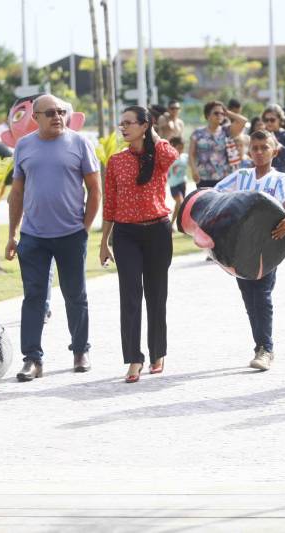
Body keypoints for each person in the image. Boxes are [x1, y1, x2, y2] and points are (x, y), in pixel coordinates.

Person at [5, 94, 101, 382]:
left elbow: (95, 190)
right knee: (33, 298)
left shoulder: (80, 142)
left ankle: (80, 350)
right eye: (50, 113)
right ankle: (33, 359)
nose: (57, 116)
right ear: (36, 117)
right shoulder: (24, 146)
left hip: (71, 235)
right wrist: (12, 234)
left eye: (61, 111)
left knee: (75, 295)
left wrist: (84, 228)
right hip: (33, 237)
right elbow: (17, 193)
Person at [100, 106, 178, 383]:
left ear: (145, 126)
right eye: (121, 124)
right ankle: (134, 358)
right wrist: (104, 241)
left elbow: (172, 155)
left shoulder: (158, 155)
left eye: (129, 123)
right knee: (130, 297)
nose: (123, 128)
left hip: (157, 231)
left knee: (156, 295)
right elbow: (109, 203)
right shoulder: (116, 161)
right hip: (126, 235)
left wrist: (153, 135)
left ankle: (158, 352)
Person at [214, 130, 285, 371]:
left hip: (266, 250)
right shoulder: (240, 176)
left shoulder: (279, 178)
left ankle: (265, 349)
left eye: (264, 147)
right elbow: (213, 195)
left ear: (275, 150)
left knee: (262, 295)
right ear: (249, 151)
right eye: (255, 148)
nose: (259, 152)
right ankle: (260, 345)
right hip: (239, 250)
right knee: (249, 297)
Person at [189, 101, 247, 188]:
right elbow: (191, 154)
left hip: (224, 178)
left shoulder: (227, 130)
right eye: (216, 113)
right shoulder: (197, 133)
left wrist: (228, 113)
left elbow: (243, 121)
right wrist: (193, 170)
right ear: (208, 115)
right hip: (203, 177)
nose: (219, 115)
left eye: (222, 113)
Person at [262, 104, 285, 179]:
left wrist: (277, 144)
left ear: (280, 119)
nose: (269, 123)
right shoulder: (262, 135)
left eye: (272, 120)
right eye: (266, 120)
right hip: (266, 174)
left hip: (283, 174)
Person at [167, 136, 189, 225]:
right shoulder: (169, 157)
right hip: (174, 185)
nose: (181, 150)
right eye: (179, 148)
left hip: (183, 183)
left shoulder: (185, 157)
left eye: (182, 148)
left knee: (178, 205)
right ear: (173, 147)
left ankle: (171, 224)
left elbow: (192, 161)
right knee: (181, 202)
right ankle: (185, 224)